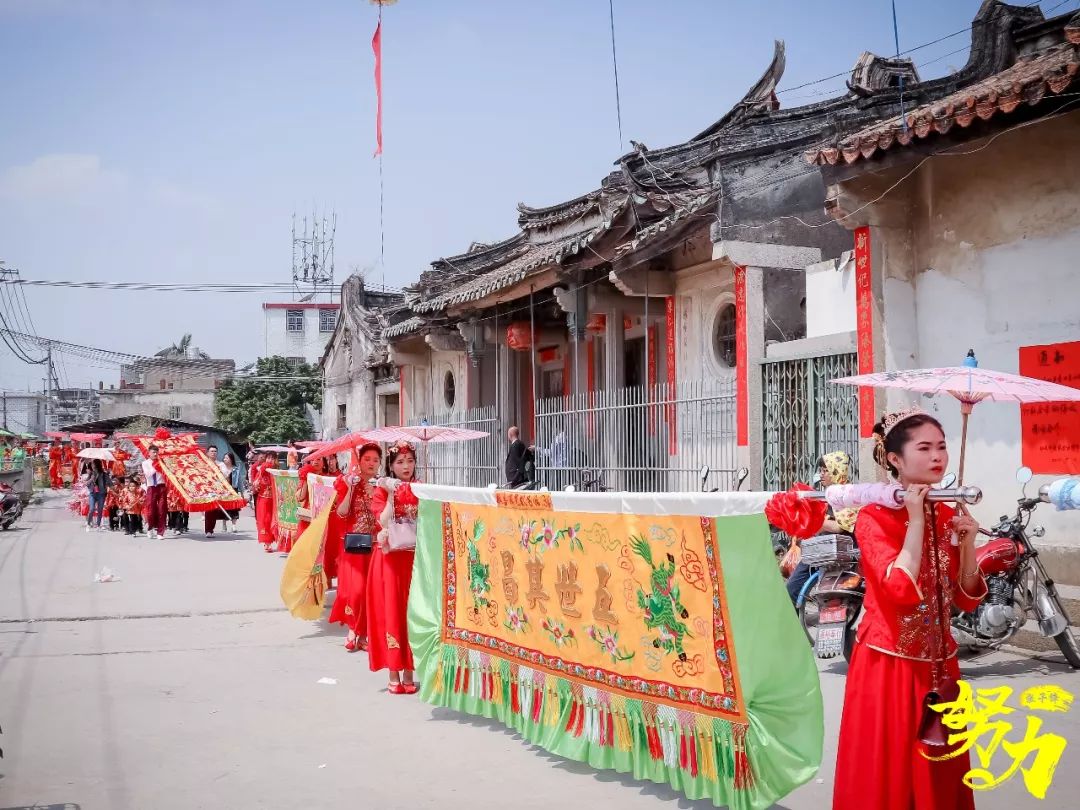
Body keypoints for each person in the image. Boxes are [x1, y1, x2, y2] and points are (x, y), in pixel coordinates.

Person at [833, 410, 987, 810]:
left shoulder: (948, 513)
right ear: (895, 460)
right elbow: (900, 589)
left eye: (941, 447)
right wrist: (916, 521)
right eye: (924, 448)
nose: (937, 456)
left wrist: (968, 545)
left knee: (941, 768)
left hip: (941, 665)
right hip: (890, 667)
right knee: (891, 778)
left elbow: (965, 598)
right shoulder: (873, 518)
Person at [368, 442, 420, 694]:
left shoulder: (420, 488)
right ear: (391, 465)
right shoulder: (381, 489)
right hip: (389, 559)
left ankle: (410, 671)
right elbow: (382, 520)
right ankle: (393, 671)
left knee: (411, 612)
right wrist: (390, 492)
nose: (406, 466)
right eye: (400, 461)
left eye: (409, 460)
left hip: (413, 559)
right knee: (391, 612)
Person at [786, 451, 859, 605]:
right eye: (821, 470)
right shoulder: (823, 495)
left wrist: (812, 522)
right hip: (820, 550)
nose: (821, 474)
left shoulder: (847, 494)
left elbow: (840, 526)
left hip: (840, 554)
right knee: (792, 587)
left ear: (837, 470)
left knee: (814, 591)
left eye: (826, 470)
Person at [328, 444, 382, 652]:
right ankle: (353, 629)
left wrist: (375, 495)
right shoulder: (347, 483)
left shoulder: (382, 486)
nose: (371, 463)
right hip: (356, 545)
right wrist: (351, 488)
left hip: (377, 545)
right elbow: (341, 513)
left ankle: (364, 635)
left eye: (375, 460)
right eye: (367, 459)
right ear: (359, 461)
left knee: (372, 592)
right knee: (357, 591)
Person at [142, 444, 169, 539]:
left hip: (162, 487)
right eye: (153, 452)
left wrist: (161, 464)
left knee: (162, 510)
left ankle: (160, 532)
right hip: (151, 487)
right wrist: (156, 466)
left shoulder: (162, 462)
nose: (155, 454)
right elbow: (148, 475)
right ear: (149, 453)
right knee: (150, 511)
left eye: (156, 452)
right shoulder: (145, 463)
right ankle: (150, 528)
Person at [253, 451, 278, 551]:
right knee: (265, 521)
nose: (270, 460)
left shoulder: (276, 472)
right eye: (268, 458)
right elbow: (255, 485)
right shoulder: (261, 471)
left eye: (272, 458)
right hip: (263, 500)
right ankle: (267, 543)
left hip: (274, 501)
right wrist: (257, 482)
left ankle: (274, 540)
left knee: (274, 520)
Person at [84, 459, 110, 532]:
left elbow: (110, 483)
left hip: (101, 494)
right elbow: (86, 484)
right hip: (92, 493)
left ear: (97, 465)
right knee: (91, 509)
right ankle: (88, 524)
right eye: (91, 464)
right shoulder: (91, 474)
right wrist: (91, 479)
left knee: (100, 509)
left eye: (93, 464)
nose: (92, 466)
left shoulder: (104, 474)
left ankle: (98, 525)